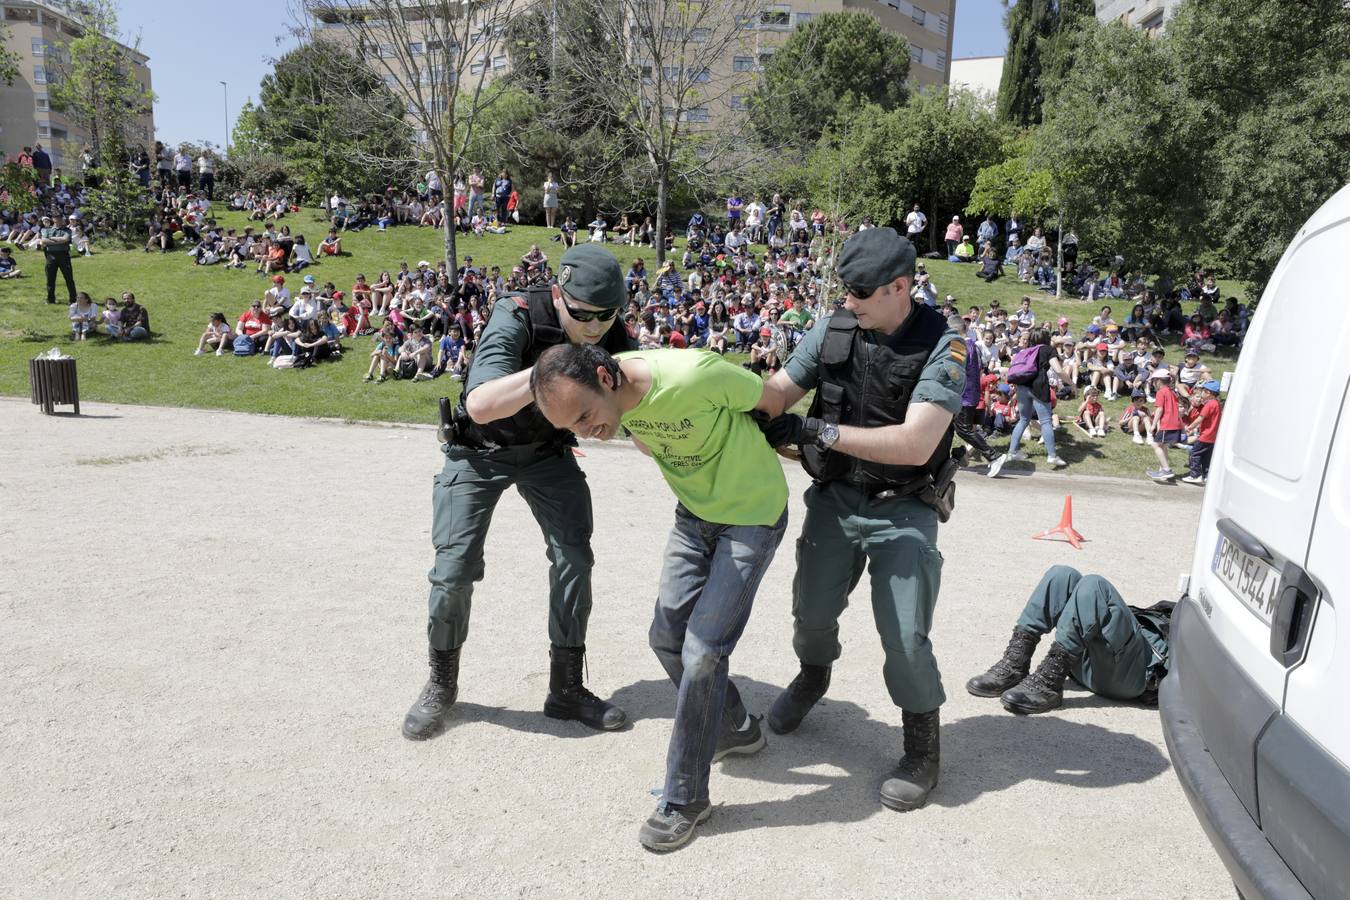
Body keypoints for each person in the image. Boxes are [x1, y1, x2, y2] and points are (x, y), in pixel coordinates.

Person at [530, 343, 789, 852]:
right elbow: (648, 440)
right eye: (572, 429)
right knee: (667, 637)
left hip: (753, 515)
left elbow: (770, 400)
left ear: (607, 377)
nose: (586, 433)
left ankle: (686, 798)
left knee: (704, 651)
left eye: (585, 416)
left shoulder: (693, 375)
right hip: (694, 517)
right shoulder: (612, 402)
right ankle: (736, 727)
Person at [753, 227, 965, 813]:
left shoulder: (944, 346)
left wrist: (815, 431)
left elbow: (918, 443)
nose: (849, 302)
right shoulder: (833, 328)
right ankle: (813, 675)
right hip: (836, 499)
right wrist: (743, 403)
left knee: (904, 634)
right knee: (811, 612)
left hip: (904, 506)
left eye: (861, 293)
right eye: (845, 290)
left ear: (900, 287)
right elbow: (779, 389)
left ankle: (922, 747)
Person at [400, 244, 637, 742]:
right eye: (582, 315)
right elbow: (481, 404)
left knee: (575, 558)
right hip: (479, 452)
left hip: (546, 453)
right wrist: (558, 372)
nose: (594, 328)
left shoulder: (609, 330)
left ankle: (566, 688)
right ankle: (442, 683)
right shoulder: (519, 314)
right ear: (558, 293)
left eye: (606, 316)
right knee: (453, 570)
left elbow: (639, 393)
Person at [966, 567, 1173, 714]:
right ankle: (1015, 663)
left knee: (1095, 584)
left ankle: (1049, 682)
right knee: (1063, 575)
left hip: (1133, 676)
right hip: (1089, 666)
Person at [994, 329, 1069, 469]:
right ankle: (1052, 455)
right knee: (1046, 421)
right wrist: (1072, 384)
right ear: (1046, 338)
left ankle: (1012, 452)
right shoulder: (1047, 349)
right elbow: (1058, 370)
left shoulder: (1026, 351)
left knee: (1023, 420)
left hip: (1022, 387)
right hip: (1039, 387)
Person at [1147, 367, 1185, 483]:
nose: (1153, 384)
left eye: (1153, 381)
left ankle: (1166, 470)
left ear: (1158, 381)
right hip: (1174, 424)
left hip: (1167, 424)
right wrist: (1182, 427)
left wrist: (1153, 425)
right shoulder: (1172, 392)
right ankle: (1163, 470)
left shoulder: (1161, 392)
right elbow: (1177, 412)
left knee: (1156, 445)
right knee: (1163, 446)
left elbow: (1159, 409)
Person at [1181, 380, 1223, 485]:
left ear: (1208, 393)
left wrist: (1190, 427)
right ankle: (1205, 475)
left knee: (1194, 453)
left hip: (1205, 435)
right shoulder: (1217, 404)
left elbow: (1200, 418)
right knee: (1206, 456)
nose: (1201, 393)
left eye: (1203, 391)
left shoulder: (1209, 405)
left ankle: (1195, 475)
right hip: (1213, 436)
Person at [39, 214, 77, 307]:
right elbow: (43, 241)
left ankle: (73, 299)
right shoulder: (46, 229)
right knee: (50, 279)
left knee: (69, 279)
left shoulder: (67, 230)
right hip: (50, 256)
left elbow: (65, 239)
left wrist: (51, 238)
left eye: (60, 218)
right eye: (56, 218)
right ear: (53, 219)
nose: (58, 220)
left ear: (62, 219)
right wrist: (58, 241)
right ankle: (50, 299)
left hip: (63, 256)